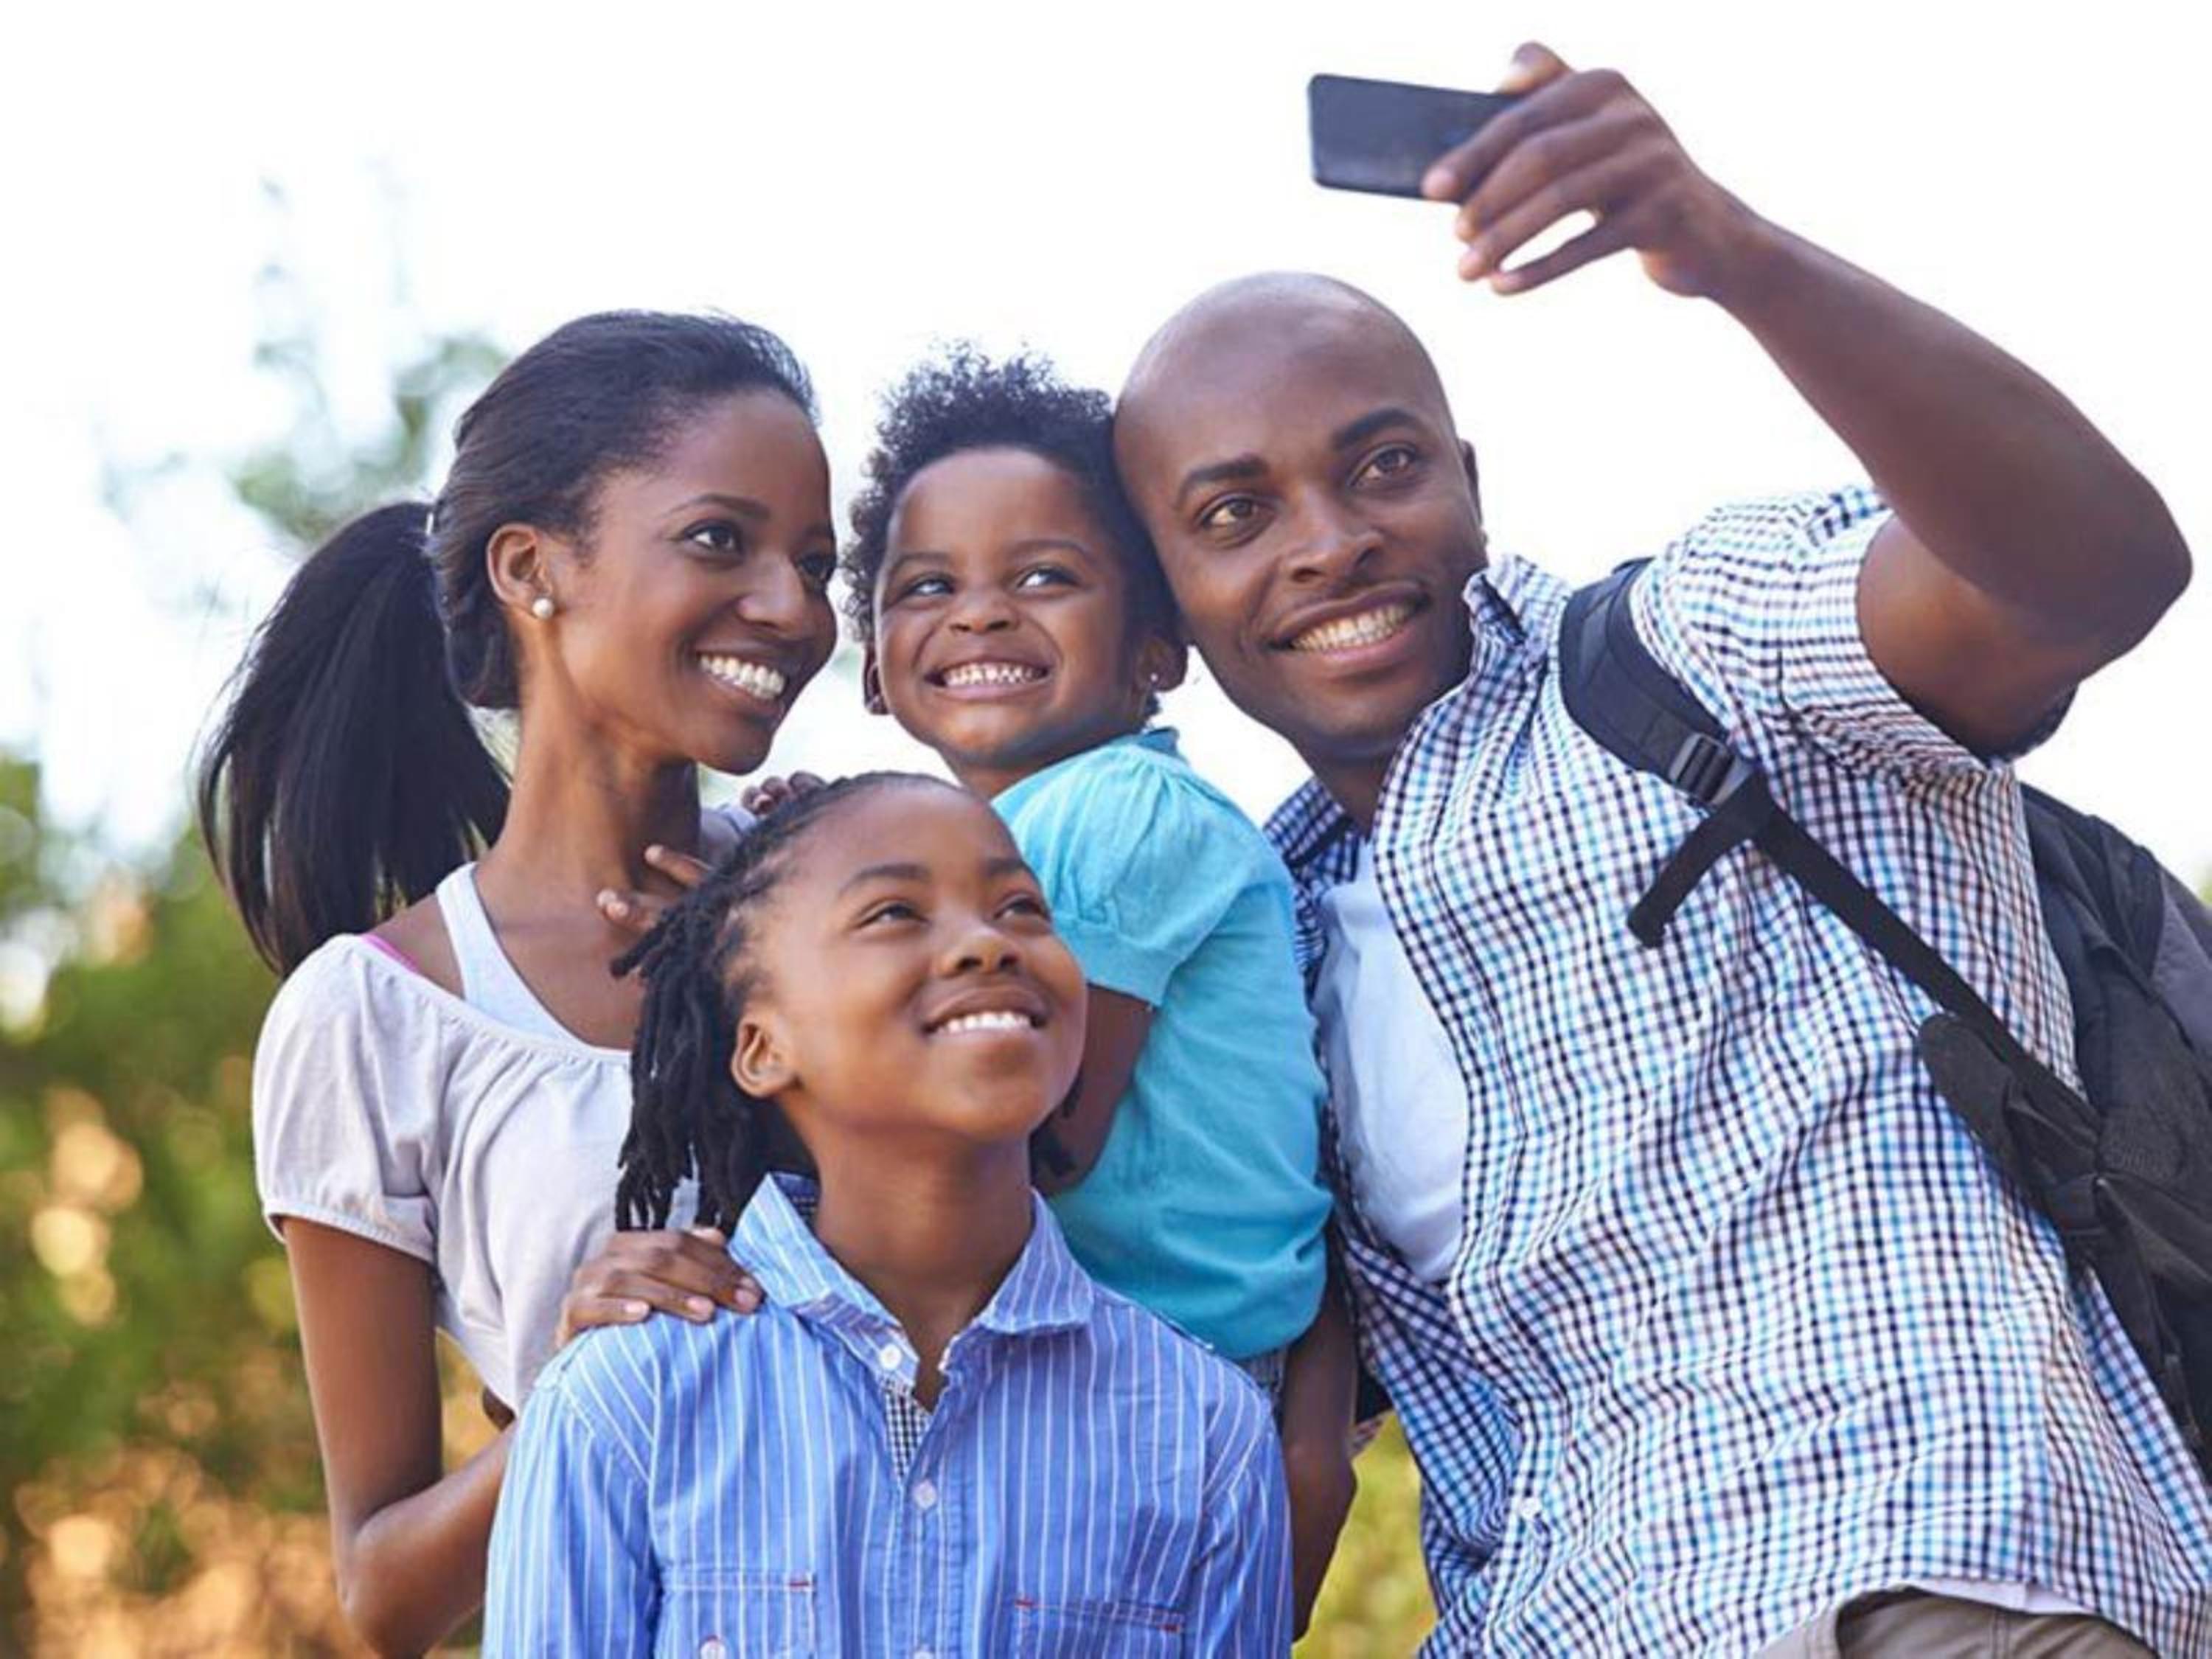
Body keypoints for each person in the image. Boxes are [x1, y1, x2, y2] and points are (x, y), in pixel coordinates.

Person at [1109, 43, 2211, 1658]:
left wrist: (1734, 254)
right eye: (1234, 515)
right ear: (1168, 609)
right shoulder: (1253, 946)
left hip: (1917, 1583)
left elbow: (2091, 576)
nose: (1330, 542)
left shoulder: (1691, 657)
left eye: (1382, 467)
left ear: (1469, 485)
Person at [198, 311, 840, 1654]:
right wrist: (575, 1380)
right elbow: (385, 1592)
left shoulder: (838, 891)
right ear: (532, 569)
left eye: (818, 563)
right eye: (722, 540)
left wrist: (828, 928)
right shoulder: (376, 1017)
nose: (793, 609)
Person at [485, 773, 1291, 1655]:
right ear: (763, 1047)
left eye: (1021, 907)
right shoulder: (628, 1400)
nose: (987, 942)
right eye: (896, 914)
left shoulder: (1206, 1430)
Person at [836, 347, 1353, 1627]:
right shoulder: (987, 846)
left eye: (1045, 579)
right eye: (929, 586)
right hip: (1115, 1384)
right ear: (873, 662)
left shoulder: (1116, 809)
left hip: (1158, 1396)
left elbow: (1037, 1132)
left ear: (1156, 647)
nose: (981, 614)